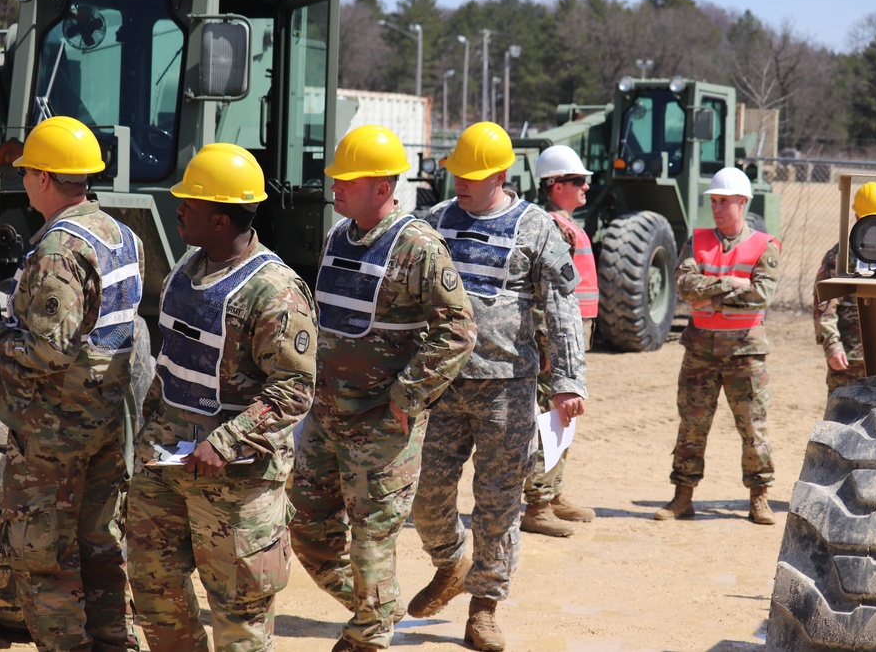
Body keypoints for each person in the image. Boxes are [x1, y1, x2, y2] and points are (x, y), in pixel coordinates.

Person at [288, 125, 477, 652]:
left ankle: (370, 632)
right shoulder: (337, 236)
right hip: (327, 416)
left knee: (372, 536)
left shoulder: (417, 246)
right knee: (305, 526)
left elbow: (458, 329)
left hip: (383, 424)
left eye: (348, 180)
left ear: (382, 186)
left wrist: (407, 396)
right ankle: (380, 604)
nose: (336, 188)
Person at [125, 143, 318, 651]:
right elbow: (171, 366)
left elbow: (295, 389)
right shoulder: (189, 268)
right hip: (166, 463)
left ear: (220, 219)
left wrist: (228, 440)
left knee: (239, 616)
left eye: (191, 202)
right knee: (153, 591)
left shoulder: (275, 292)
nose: (179, 208)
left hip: (235, 479)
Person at [409, 122, 588, 651]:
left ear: (502, 175)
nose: (461, 183)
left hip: (508, 390)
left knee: (499, 504)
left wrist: (567, 381)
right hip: (442, 386)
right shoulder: (435, 223)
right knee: (426, 495)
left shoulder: (536, 228)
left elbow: (562, 310)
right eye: (457, 174)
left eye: (473, 176)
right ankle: (450, 564)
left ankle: (483, 609)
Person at [0, 116, 142, 652]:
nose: (23, 178)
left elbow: (50, 350)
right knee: (99, 550)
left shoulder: (57, 250)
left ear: (46, 178)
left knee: (42, 562)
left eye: (27, 170)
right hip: (104, 423)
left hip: (54, 435)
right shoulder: (123, 235)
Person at [654, 166, 781, 526]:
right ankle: (683, 497)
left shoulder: (764, 246)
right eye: (714, 200)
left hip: (746, 354)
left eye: (725, 201)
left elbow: (760, 296)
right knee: (692, 426)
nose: (718, 207)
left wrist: (711, 296)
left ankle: (759, 498)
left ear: (743, 202)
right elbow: (685, 286)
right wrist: (730, 283)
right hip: (700, 352)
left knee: (753, 428)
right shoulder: (696, 241)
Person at [520, 145, 598, 538]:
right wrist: (550, 345)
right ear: (555, 185)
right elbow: (546, 293)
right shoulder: (553, 226)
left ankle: (552, 492)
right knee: (551, 417)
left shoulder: (566, 222)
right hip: (559, 338)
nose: (586, 186)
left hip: (572, 335)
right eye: (577, 180)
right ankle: (537, 503)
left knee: (564, 417)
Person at [814, 181, 876, 395]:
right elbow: (824, 306)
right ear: (857, 218)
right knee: (841, 421)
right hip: (848, 360)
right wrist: (832, 346)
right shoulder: (839, 257)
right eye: (872, 219)